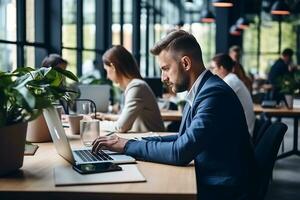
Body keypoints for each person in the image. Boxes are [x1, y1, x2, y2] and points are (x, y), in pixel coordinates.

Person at [92, 30, 256, 200]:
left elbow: (180, 152)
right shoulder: (202, 89)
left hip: (222, 190)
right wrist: (135, 142)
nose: (163, 77)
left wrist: (126, 146)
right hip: (212, 178)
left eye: (166, 68)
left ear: (185, 63)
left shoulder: (213, 94)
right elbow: (183, 137)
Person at [99, 45, 164, 133]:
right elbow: (126, 118)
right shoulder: (135, 85)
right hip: (147, 141)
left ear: (113, 67)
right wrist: (107, 117)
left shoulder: (137, 87)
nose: (107, 76)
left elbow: (121, 127)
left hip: (152, 142)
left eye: (107, 70)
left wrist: (94, 123)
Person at [211, 53, 255, 136]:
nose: (212, 71)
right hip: (240, 131)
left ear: (222, 68)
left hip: (241, 136)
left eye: (213, 68)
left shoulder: (230, 81)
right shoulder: (232, 79)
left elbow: (214, 104)